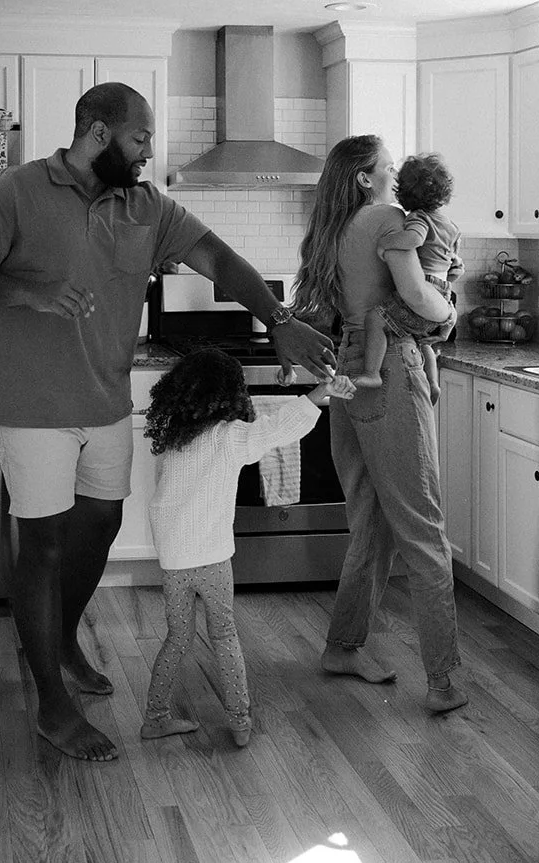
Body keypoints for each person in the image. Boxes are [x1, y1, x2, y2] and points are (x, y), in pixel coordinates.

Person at [0, 82, 336, 763]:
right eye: (140, 137)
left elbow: (218, 260)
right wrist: (26, 291)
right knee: (42, 546)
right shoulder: (17, 191)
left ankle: (60, 638)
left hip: (104, 402)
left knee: (98, 524)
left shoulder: (144, 205)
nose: (149, 149)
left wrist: (279, 320)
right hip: (29, 407)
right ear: (96, 131)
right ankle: (52, 707)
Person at [292, 135, 468, 715]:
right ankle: (443, 679)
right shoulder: (392, 220)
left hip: (350, 373)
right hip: (390, 371)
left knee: (371, 521)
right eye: (386, 166)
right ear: (367, 178)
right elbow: (420, 299)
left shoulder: (336, 229)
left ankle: (344, 647)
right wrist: (450, 312)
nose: (395, 172)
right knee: (424, 528)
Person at [139, 348, 354, 748]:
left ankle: (155, 716)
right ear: (232, 394)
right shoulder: (229, 436)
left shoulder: (173, 439)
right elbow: (278, 428)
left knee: (177, 637)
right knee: (223, 636)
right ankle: (239, 721)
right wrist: (320, 392)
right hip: (212, 559)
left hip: (173, 559)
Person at [350, 152, 463, 405]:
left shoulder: (419, 218)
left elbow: (414, 240)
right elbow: (457, 266)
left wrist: (385, 243)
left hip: (426, 286)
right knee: (422, 340)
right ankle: (433, 383)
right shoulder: (451, 225)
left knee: (376, 319)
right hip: (443, 291)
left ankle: (371, 374)